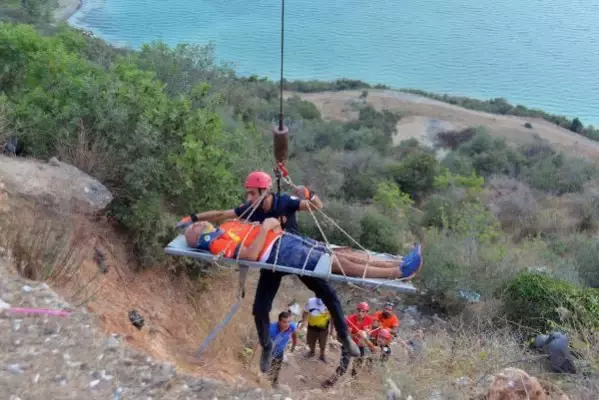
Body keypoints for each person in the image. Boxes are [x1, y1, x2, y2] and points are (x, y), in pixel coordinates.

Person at [178, 170, 416, 375]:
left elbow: (315, 206)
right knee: (260, 308)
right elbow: (222, 214)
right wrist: (194, 218)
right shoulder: (248, 210)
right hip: (273, 260)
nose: (248, 198)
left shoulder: (284, 201)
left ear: (265, 191)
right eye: (247, 193)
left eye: (252, 193)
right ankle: (267, 347)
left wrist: (307, 193)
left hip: (295, 250)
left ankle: (344, 337)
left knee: (329, 292)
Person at [322, 302, 376, 387]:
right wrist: (358, 334)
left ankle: (352, 380)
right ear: (356, 310)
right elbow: (348, 335)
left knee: (358, 363)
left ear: (366, 312)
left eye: (363, 311)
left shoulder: (369, 319)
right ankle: (332, 380)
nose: (360, 313)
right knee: (344, 364)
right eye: (359, 310)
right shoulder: (350, 319)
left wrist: (366, 332)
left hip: (361, 344)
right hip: (349, 343)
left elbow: (368, 329)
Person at [268, 311, 298, 388]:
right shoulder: (272, 330)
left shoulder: (291, 326)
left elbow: (294, 334)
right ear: (279, 322)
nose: (287, 324)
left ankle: (274, 382)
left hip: (280, 351)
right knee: (268, 368)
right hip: (269, 352)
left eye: (288, 322)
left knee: (277, 367)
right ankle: (266, 382)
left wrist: (294, 345)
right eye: (284, 322)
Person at [301, 297, 332, 363]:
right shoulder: (310, 301)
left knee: (323, 343)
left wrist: (332, 330)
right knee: (310, 341)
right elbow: (305, 312)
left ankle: (322, 355)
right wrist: (304, 321)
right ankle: (312, 352)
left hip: (323, 329)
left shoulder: (330, 303)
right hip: (311, 327)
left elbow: (333, 317)